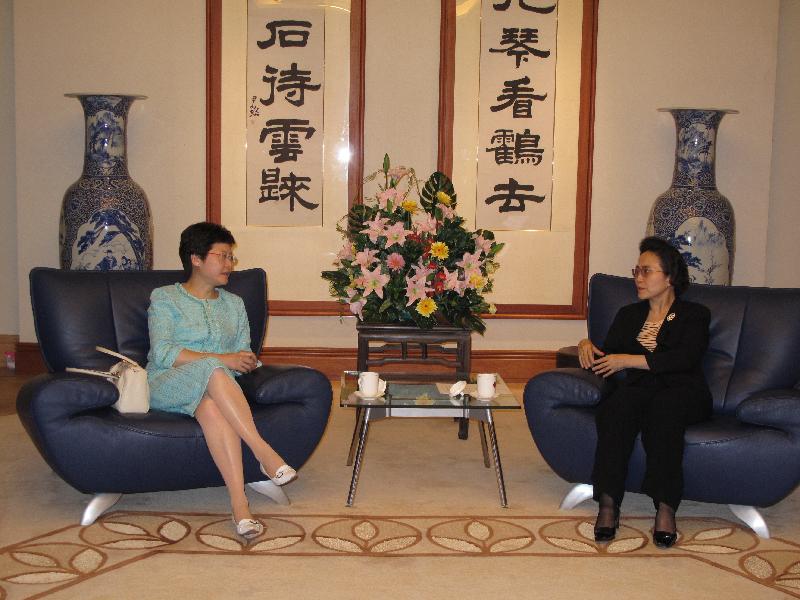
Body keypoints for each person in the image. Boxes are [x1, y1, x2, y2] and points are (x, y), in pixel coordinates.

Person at [146, 222, 296, 540]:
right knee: (213, 369)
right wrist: (223, 361)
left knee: (213, 406)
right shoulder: (165, 298)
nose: (230, 264)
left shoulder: (234, 304)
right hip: (167, 382)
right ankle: (264, 453)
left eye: (232, 257)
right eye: (223, 256)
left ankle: (240, 506)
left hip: (216, 389)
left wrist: (244, 361)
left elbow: (241, 353)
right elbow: (162, 352)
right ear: (196, 259)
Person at [577, 236, 711, 548]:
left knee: (664, 410)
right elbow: (607, 357)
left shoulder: (695, 314)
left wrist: (630, 360)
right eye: (636, 270)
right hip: (639, 389)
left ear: (670, 277)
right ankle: (608, 503)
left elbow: (684, 359)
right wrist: (586, 345)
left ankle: (665, 507)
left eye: (646, 271)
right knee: (616, 408)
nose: (638, 277)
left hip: (682, 390)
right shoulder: (629, 315)